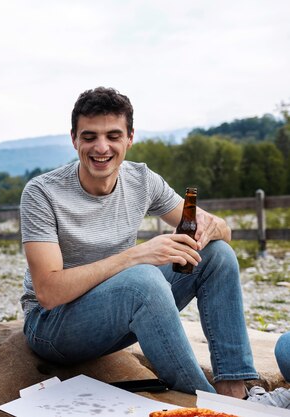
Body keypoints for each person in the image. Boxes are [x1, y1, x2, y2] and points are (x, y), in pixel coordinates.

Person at [19, 87, 258, 397]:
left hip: (117, 313)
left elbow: (217, 230)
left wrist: (217, 227)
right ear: (74, 139)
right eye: (89, 137)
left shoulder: (143, 180)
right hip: (53, 327)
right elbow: (49, 293)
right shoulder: (42, 193)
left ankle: (234, 390)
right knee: (141, 279)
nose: (101, 147)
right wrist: (136, 256)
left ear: (130, 138)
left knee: (218, 255)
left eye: (113, 136)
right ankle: (207, 402)